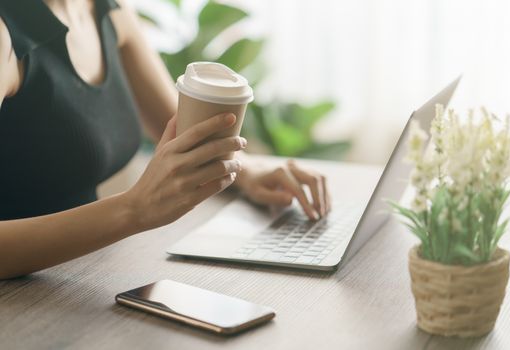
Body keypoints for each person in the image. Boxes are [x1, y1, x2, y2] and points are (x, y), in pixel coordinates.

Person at [0, 0, 330, 279]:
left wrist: (248, 170)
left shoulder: (107, 9)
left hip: (78, 276)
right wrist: (132, 210)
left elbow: (181, 131)